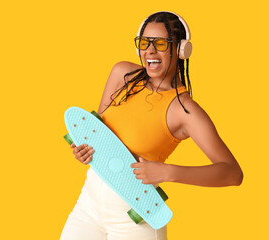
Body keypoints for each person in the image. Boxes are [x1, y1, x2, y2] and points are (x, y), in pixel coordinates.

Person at [60, 11, 243, 240]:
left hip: (136, 218)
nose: (150, 51)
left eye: (161, 44)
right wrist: (85, 150)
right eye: (145, 43)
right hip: (89, 204)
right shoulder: (122, 74)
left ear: (181, 49)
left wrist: (168, 172)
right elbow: (99, 136)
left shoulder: (185, 111)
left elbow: (232, 173)